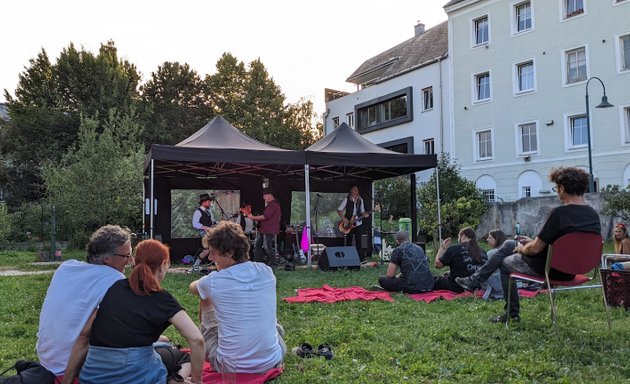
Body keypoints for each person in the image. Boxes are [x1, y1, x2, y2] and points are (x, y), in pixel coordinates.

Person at [464, 167, 601, 323]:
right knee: (509, 243)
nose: (557, 191)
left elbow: (535, 249)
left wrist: (522, 248)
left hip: (550, 270)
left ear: (562, 188)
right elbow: (566, 242)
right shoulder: (593, 215)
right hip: (574, 269)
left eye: (556, 188)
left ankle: (511, 314)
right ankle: (474, 280)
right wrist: (531, 242)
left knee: (504, 263)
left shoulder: (559, 214)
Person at [63, 239, 205, 384]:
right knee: (183, 358)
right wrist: (197, 381)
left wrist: (66, 381)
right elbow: (197, 339)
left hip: (94, 375)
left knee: (161, 346)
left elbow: (84, 335)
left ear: (133, 261)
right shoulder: (161, 298)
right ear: (163, 265)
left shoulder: (114, 288)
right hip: (136, 374)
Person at [37, 225, 131, 382]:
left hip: (47, 361)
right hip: (73, 369)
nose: (130, 261)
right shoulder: (117, 280)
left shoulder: (66, 267)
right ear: (107, 258)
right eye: (126, 256)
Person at [189, 221, 286, 373]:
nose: (210, 257)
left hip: (230, 367)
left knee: (204, 297)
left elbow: (193, 287)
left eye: (213, 252)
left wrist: (205, 283)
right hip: (272, 361)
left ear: (230, 252)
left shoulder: (213, 281)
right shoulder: (266, 271)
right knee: (267, 317)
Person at [433, 226, 487, 293]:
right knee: (446, 274)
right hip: (477, 287)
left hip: (457, 286)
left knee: (433, 278)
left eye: (458, 236)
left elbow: (438, 265)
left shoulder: (454, 248)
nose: (458, 238)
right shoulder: (483, 251)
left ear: (463, 236)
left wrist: (442, 248)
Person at [248, 188, 281, 265]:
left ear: (270, 195)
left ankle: (273, 263)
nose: (264, 198)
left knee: (267, 246)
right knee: (257, 245)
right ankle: (257, 262)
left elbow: (265, 217)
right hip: (264, 229)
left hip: (268, 229)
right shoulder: (272, 205)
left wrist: (252, 217)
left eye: (265, 196)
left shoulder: (273, 205)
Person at [337, 185, 370, 261]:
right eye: (353, 190)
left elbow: (362, 211)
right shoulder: (347, 199)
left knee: (359, 241)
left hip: (358, 223)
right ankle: (348, 257)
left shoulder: (360, 200)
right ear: (351, 191)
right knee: (349, 240)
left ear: (358, 192)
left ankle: (361, 258)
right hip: (349, 223)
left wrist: (365, 214)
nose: (355, 191)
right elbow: (339, 210)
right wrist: (343, 218)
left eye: (356, 190)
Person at [192, 193, 216, 269]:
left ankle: (216, 263)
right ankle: (196, 265)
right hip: (203, 233)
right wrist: (207, 228)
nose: (209, 204)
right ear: (204, 202)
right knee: (207, 250)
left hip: (209, 232)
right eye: (208, 202)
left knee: (212, 249)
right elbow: (195, 224)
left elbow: (210, 221)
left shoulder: (208, 212)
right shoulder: (198, 212)